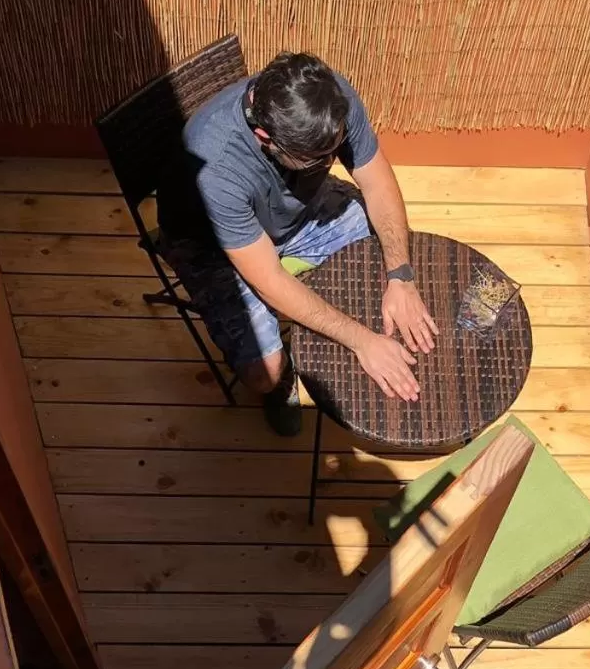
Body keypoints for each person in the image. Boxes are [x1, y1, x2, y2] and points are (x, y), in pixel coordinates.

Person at [156, 51, 438, 436]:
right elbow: (268, 278)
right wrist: (362, 342)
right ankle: (287, 377)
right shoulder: (215, 166)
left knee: (387, 248)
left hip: (295, 208)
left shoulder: (329, 99)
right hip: (211, 246)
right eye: (315, 160)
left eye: (332, 154)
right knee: (263, 373)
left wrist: (401, 276)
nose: (330, 163)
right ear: (264, 137)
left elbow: (376, 182)